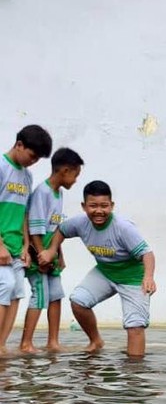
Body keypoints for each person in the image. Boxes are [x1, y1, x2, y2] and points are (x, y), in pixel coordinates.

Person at [39, 180, 156, 357]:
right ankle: (96, 340)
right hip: (105, 272)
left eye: (104, 206)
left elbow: (147, 254)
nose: (99, 211)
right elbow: (61, 230)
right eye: (93, 206)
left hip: (133, 278)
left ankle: (135, 374)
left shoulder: (123, 228)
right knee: (78, 301)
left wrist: (148, 277)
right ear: (84, 206)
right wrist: (52, 250)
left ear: (112, 205)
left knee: (135, 326)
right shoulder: (80, 223)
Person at [20, 147, 85, 353]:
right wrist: (41, 255)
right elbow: (35, 227)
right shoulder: (43, 192)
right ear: (65, 171)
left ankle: (53, 341)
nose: (75, 180)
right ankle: (26, 343)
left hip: (51, 254)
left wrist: (59, 254)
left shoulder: (59, 195)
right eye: (75, 175)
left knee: (56, 295)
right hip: (38, 253)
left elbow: (57, 228)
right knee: (39, 294)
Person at [0, 124, 53, 353]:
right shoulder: (1, 167)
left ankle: (1, 346)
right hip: (1, 245)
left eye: (38, 159)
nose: (33, 162)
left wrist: (24, 245)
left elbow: (23, 213)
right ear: (19, 145)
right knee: (6, 285)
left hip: (15, 246)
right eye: (32, 156)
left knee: (17, 292)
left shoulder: (28, 176)